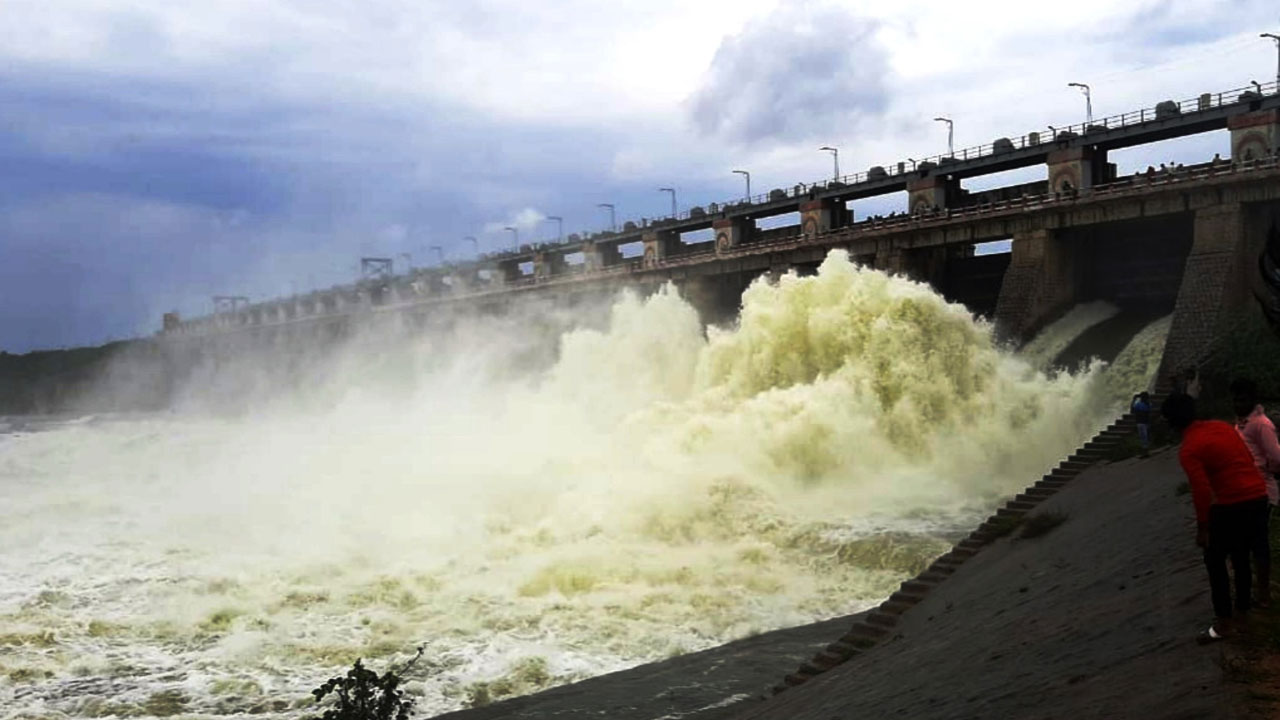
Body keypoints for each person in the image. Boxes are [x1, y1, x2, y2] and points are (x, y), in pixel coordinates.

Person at [1164, 393, 1270, 641]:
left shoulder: (1189, 448)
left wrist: (1203, 528)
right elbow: (1245, 457)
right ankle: (1243, 616)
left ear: (1171, 423)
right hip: (1257, 495)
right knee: (1242, 557)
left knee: (1215, 562)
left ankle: (1224, 623)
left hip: (1232, 503)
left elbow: (1201, 491)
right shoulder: (1221, 426)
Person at [1232, 377, 1280, 606]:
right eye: (1235, 400)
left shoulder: (1261, 424)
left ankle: (1263, 594)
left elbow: (1277, 457)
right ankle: (1251, 591)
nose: (1238, 404)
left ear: (1253, 400)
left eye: (1242, 400)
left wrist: (1264, 472)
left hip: (1261, 491)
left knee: (1259, 543)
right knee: (1245, 543)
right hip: (1242, 490)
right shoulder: (1241, 423)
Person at [1131, 392, 1153, 457]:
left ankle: (1145, 453)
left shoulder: (1139, 405)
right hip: (1146, 422)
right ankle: (1146, 452)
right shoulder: (1149, 404)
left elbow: (1132, 410)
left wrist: (1134, 400)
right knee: (1146, 437)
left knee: (1143, 438)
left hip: (1140, 423)